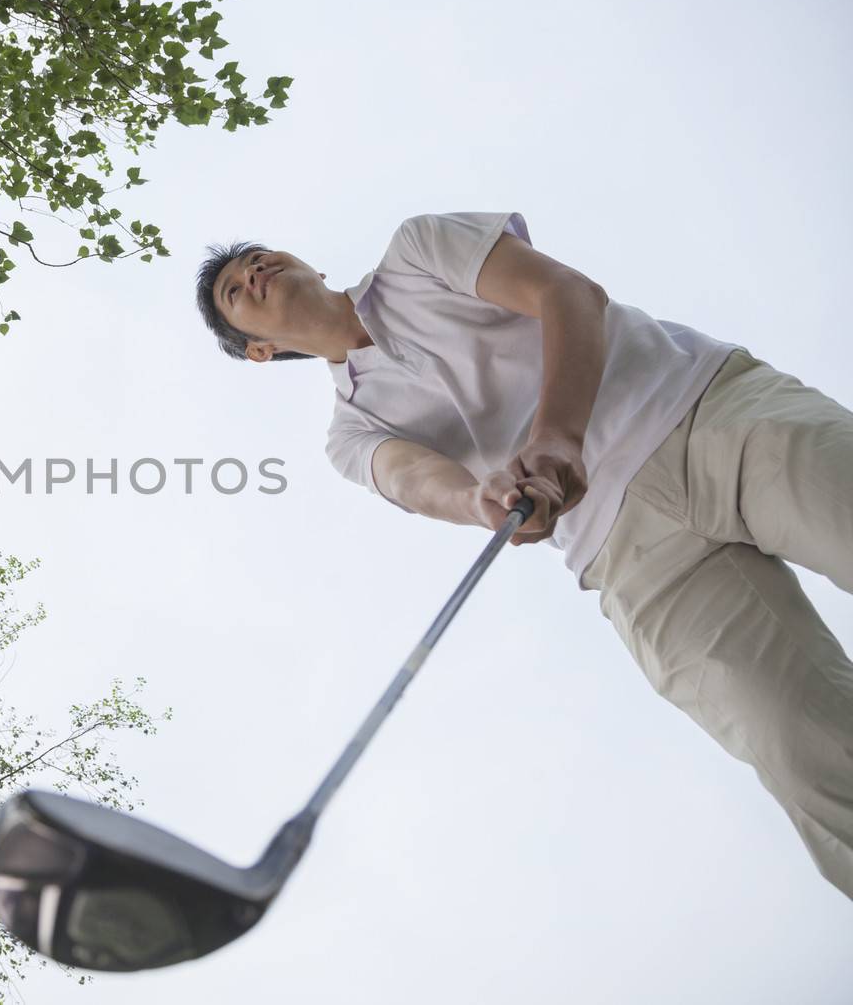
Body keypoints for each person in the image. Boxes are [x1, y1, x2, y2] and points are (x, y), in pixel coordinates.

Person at [194, 212, 853, 900]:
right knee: (806, 753)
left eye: (259, 257)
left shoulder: (416, 251)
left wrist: (557, 437)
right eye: (237, 291)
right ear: (259, 351)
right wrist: (483, 498)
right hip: (625, 551)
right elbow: (416, 479)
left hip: (708, 412)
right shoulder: (351, 433)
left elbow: (568, 294)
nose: (254, 272)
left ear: (309, 263)